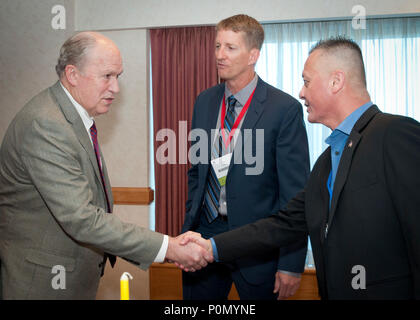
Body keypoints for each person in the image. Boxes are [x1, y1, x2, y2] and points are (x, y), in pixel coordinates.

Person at [182, 37, 420, 300]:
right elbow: (283, 224)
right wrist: (210, 246)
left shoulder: (394, 134)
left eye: (306, 81)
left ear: (335, 81)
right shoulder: (326, 164)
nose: (301, 92)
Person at [0, 32, 212, 300]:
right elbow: (83, 219)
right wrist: (168, 247)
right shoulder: (47, 124)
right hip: (42, 284)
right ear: (73, 74)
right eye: (107, 76)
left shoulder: (75, 117)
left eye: (118, 76)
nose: (116, 88)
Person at [181, 14, 310, 300]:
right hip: (204, 236)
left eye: (230, 47)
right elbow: (196, 172)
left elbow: (295, 194)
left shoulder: (283, 109)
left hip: (258, 245)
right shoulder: (204, 101)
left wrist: (291, 264)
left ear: (253, 55)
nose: (219, 55)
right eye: (217, 46)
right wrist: (190, 222)